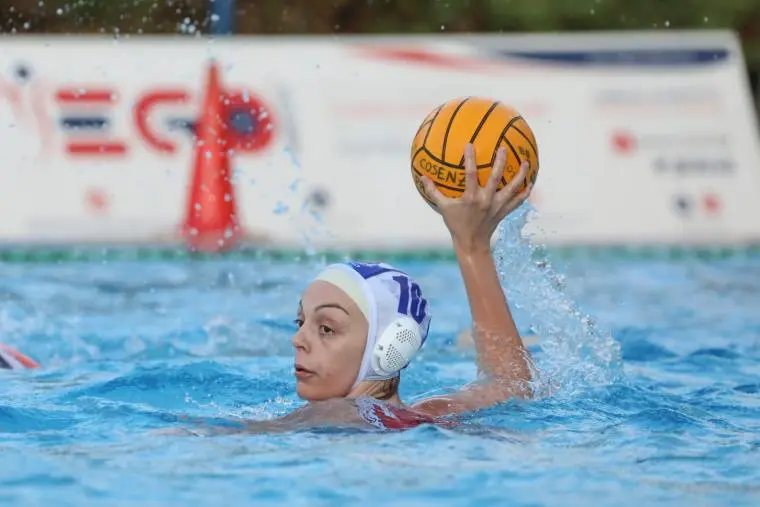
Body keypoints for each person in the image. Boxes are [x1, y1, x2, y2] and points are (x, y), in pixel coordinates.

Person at [178, 143, 536, 435]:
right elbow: (513, 383)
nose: (298, 340)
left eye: (327, 328)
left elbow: (231, 437)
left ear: (388, 347)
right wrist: (472, 246)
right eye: (299, 323)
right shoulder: (431, 414)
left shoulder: (338, 413)